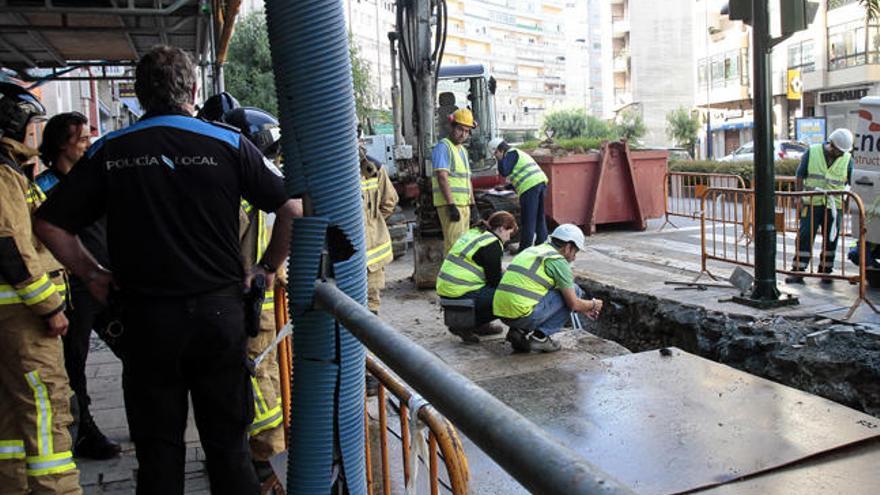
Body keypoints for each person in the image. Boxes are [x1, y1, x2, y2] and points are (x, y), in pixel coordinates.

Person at [33, 45, 302, 494]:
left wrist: (94, 274)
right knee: (229, 450)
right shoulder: (228, 143)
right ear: (193, 90)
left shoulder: (111, 151)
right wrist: (266, 268)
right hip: (219, 316)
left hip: (147, 322)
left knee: (159, 453)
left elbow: (48, 223)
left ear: (139, 95)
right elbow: (292, 208)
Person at [0, 82, 82, 494]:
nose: (33, 135)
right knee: (47, 409)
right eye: (29, 126)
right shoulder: (2, 175)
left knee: (12, 421)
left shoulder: (12, 172)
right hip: (24, 320)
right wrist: (49, 305)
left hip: (13, 319)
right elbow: (11, 247)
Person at [36, 111, 122, 461]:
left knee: (135, 349)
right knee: (75, 363)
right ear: (61, 145)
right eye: (82, 139)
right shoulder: (44, 188)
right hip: (73, 290)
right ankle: (84, 430)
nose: (88, 145)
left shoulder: (93, 181)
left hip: (106, 282)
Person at [222, 105, 287, 487]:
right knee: (272, 374)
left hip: (251, 301)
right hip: (269, 297)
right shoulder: (275, 182)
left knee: (259, 376)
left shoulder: (242, 193)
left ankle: (266, 455)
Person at [493, 224, 603, 353]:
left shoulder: (534, 250)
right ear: (568, 247)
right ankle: (540, 338)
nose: (574, 257)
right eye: (575, 251)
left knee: (562, 292)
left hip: (501, 312)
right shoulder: (558, 262)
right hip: (521, 315)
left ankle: (518, 331)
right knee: (575, 290)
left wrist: (581, 307)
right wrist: (593, 305)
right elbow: (573, 304)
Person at [786, 128, 854, 285]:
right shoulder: (813, 152)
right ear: (831, 145)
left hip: (834, 205)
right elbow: (800, 174)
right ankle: (798, 270)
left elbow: (851, 182)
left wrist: (847, 203)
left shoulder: (847, 158)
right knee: (804, 236)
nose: (842, 154)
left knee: (831, 239)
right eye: (839, 151)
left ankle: (826, 271)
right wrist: (798, 197)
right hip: (811, 202)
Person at [437, 211, 518, 343]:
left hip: (446, 289)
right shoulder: (492, 243)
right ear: (502, 228)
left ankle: (479, 325)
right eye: (509, 233)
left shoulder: (475, 233)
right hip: (460, 292)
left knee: (493, 291)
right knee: (508, 295)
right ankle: (466, 325)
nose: (508, 239)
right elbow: (494, 281)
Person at [360, 141, 399, 314]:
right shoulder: (373, 167)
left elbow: (389, 201)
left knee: (370, 302)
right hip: (363, 253)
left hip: (371, 255)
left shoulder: (374, 169)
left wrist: (372, 222)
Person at [488, 138, 548, 252]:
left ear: (500, 150)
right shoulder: (517, 153)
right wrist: (506, 187)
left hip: (530, 187)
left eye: (495, 154)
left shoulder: (511, 153)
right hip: (539, 183)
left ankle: (524, 249)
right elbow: (522, 174)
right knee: (539, 218)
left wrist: (499, 159)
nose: (495, 157)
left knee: (528, 220)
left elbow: (504, 171)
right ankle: (542, 246)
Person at [432, 108, 476, 254]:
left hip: (463, 205)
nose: (463, 134)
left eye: (467, 131)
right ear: (451, 127)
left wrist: (473, 204)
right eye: (460, 129)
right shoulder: (443, 147)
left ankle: (459, 277)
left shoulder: (462, 150)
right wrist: (451, 205)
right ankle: (449, 277)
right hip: (450, 205)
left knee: (463, 247)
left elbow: (467, 180)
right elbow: (442, 177)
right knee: (454, 248)